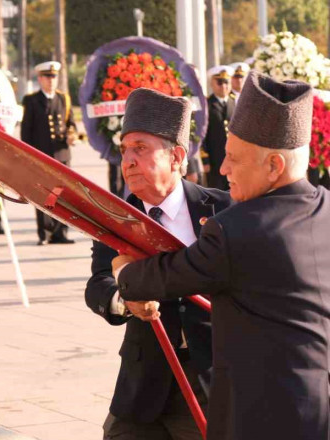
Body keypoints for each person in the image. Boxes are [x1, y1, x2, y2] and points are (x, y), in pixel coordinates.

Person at [111, 73, 330, 440]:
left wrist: (124, 270)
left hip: (264, 419)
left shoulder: (235, 228)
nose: (224, 169)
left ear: (274, 165)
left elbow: (165, 276)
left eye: (233, 158)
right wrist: (309, 339)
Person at [86, 88, 232, 440]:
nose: (128, 161)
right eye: (124, 150)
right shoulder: (117, 218)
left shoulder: (223, 210)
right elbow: (98, 284)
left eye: (141, 148)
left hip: (209, 383)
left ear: (177, 156)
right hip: (141, 386)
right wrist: (126, 300)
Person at [20, 61, 77, 245]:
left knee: (63, 196)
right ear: (40, 79)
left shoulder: (64, 99)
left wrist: (72, 135)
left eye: (54, 77)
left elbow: (71, 124)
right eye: (47, 77)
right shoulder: (32, 100)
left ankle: (61, 233)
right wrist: (28, 158)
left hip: (62, 155)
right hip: (42, 156)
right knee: (43, 195)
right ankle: (44, 233)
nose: (51, 81)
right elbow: (26, 132)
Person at [201, 65, 235, 190]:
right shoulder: (207, 105)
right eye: (219, 82)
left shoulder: (234, 102)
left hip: (233, 158)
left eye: (226, 82)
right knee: (217, 192)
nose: (224, 86)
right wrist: (205, 160)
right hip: (215, 159)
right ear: (212, 83)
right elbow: (202, 135)